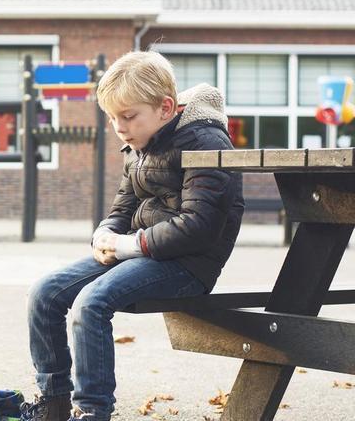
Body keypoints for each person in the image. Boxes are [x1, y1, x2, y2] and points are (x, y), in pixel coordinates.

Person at [21, 51, 245, 421]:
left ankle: (92, 410)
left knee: (91, 303)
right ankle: (54, 402)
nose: (120, 127)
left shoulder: (205, 144)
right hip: (140, 252)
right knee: (44, 293)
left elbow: (199, 226)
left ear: (165, 107)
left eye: (128, 116)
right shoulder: (142, 143)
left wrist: (128, 244)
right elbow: (122, 208)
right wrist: (105, 234)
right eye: (112, 118)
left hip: (188, 265)